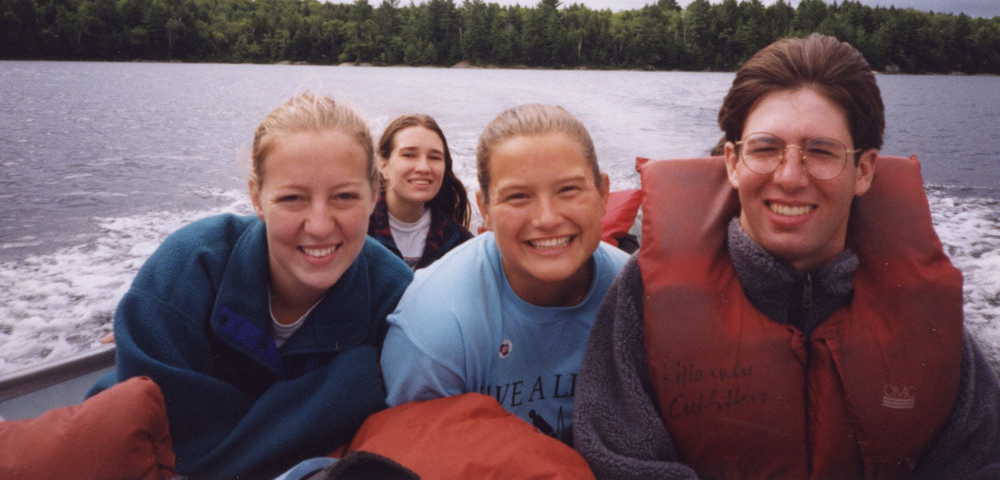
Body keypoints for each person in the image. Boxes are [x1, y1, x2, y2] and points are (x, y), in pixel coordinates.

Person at [573, 34, 1000, 479]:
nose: (791, 177)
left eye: (820, 152)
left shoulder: (923, 310)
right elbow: (617, 461)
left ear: (865, 169)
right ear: (734, 162)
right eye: (765, 149)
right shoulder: (648, 297)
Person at [89, 93, 413, 480]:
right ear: (256, 198)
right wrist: (349, 385)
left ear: (375, 193)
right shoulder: (190, 270)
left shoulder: (395, 298)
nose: (320, 225)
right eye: (292, 198)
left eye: (345, 197)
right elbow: (170, 452)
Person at [379, 103, 629, 444]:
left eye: (568, 189)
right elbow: (417, 456)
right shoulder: (437, 325)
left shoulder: (636, 294)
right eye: (518, 196)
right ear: (485, 210)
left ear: (602, 194)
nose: (547, 218)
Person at [368, 114, 473, 269]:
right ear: (383, 165)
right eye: (409, 155)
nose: (423, 167)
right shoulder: (356, 231)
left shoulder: (459, 244)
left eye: (434, 157)